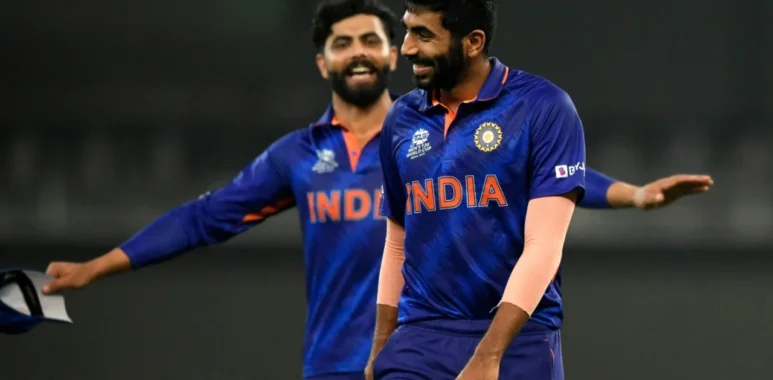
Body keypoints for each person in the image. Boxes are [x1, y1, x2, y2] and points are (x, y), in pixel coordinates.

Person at [42, 1, 712, 380]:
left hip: (453, 344)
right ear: (322, 62)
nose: (357, 51)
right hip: (347, 362)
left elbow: (542, 185)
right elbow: (203, 219)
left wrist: (634, 196)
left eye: (371, 38)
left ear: (391, 54)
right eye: (341, 43)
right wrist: (97, 267)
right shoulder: (300, 158)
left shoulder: (434, 127)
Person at [366, 1, 712, 379]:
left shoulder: (543, 107)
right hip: (420, 339)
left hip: (519, 340)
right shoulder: (401, 118)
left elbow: (543, 245)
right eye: (407, 31)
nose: (407, 48)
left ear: (473, 41)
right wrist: (383, 345)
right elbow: (397, 239)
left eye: (424, 34)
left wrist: (489, 355)